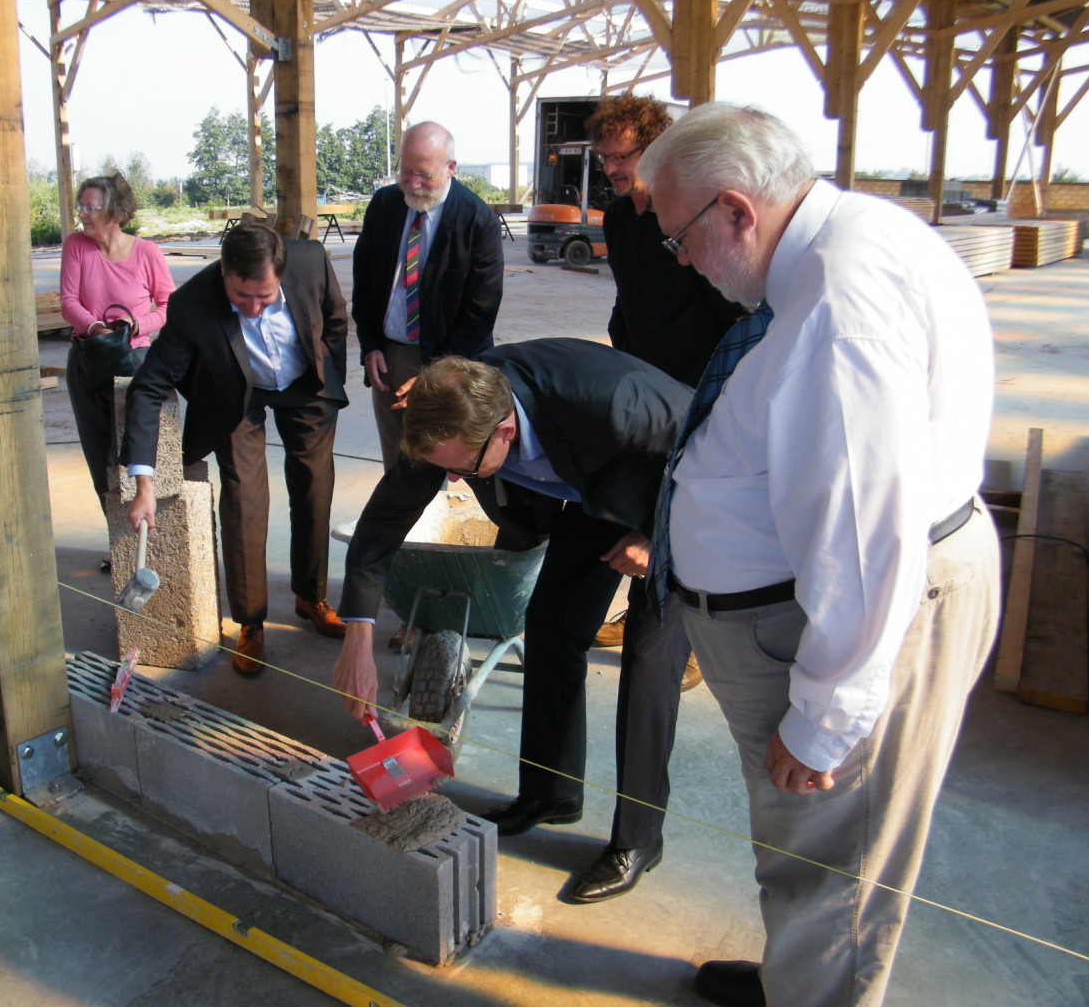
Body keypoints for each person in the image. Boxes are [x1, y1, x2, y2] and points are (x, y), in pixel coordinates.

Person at [640, 104, 1000, 1007]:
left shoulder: (839, 308)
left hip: (851, 618)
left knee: (835, 861)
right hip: (821, 604)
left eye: (681, 236)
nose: (680, 260)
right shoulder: (835, 253)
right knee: (810, 849)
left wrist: (826, 715)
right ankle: (794, 978)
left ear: (735, 210)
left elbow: (865, 532)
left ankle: (817, 989)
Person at [331, 339, 691, 903]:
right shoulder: (446, 413)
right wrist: (357, 635)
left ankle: (637, 840)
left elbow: (711, 449)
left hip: (672, 496)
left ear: (503, 431)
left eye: (461, 470)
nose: (451, 483)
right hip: (592, 492)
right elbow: (382, 524)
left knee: (649, 663)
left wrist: (657, 534)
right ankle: (550, 793)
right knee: (551, 625)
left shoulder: (614, 401)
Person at [121, 223, 349, 675]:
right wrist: (143, 480)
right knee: (244, 498)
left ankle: (310, 595)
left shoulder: (311, 262)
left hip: (305, 385)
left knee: (314, 487)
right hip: (235, 397)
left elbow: (336, 320)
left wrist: (327, 376)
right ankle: (251, 622)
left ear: (281, 274)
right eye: (241, 296)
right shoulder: (191, 305)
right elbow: (148, 387)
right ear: (223, 270)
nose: (252, 307)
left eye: (264, 298)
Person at [585, 94, 745, 662]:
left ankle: (684, 640)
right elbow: (628, 299)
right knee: (646, 501)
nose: (612, 169)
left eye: (621, 157)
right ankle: (640, 609)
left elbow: (728, 308)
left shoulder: (687, 214)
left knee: (687, 504)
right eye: (604, 158)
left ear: (656, 150)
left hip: (698, 382)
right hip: (644, 375)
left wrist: (717, 388)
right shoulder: (618, 218)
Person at [352, 121, 505, 472]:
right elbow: (364, 279)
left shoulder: (477, 220)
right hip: (391, 359)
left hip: (451, 361)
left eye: (424, 174)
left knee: (444, 460)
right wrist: (370, 344)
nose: (414, 183)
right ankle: (402, 525)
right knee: (398, 460)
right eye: (406, 172)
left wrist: (439, 375)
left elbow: (481, 310)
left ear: (451, 168)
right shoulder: (385, 205)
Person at [60, 172, 175, 559]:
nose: (84, 215)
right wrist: (96, 328)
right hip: (90, 359)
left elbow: (168, 306)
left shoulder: (147, 253)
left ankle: (151, 536)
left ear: (117, 211)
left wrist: (137, 325)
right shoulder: (76, 246)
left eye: (92, 207)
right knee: (101, 455)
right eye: (82, 206)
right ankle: (119, 543)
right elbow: (68, 301)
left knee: (140, 449)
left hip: (137, 361)